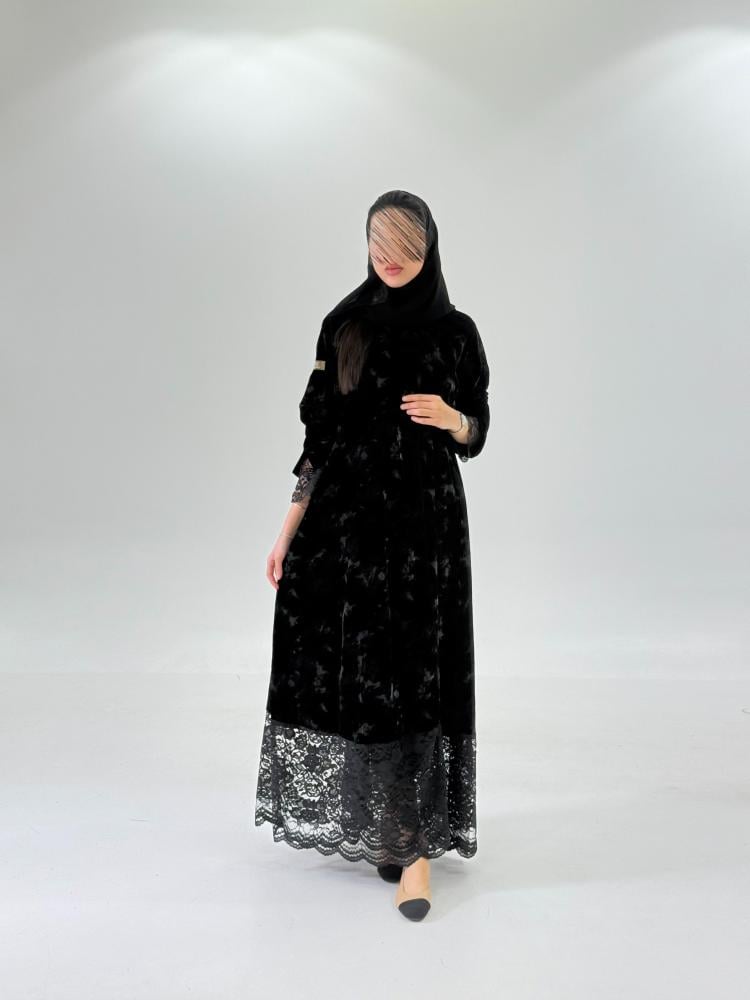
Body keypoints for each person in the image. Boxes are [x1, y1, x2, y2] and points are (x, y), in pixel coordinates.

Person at [254, 189, 490, 922]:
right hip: (347, 528)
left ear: (429, 250)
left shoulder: (456, 332)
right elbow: (319, 440)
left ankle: (413, 851)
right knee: (368, 679)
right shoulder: (344, 325)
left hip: (425, 532)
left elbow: (478, 427)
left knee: (417, 674)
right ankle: (398, 834)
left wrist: (453, 418)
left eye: (405, 247)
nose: (389, 259)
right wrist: (287, 531)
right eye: (377, 244)